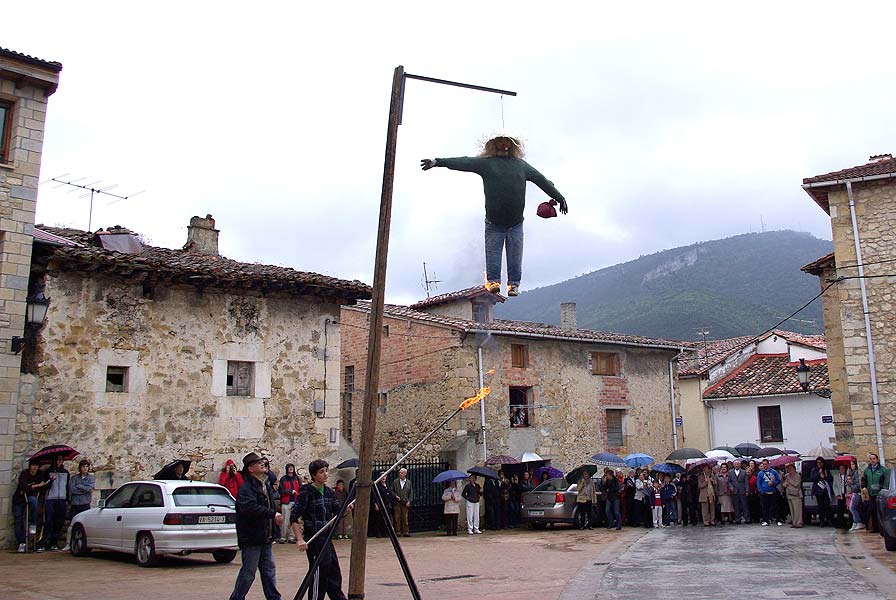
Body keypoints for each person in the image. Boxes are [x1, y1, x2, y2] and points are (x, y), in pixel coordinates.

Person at [420, 134, 568, 296]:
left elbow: (542, 180)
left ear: (512, 146)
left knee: (515, 254)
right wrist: (437, 162)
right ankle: (493, 281)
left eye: (506, 142)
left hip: (515, 223)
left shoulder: (521, 166)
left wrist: (559, 197)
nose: (503, 145)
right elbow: (464, 161)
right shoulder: (486, 164)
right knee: (493, 253)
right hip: (494, 223)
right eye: (500, 142)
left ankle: (513, 284)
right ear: (493, 145)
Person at [229, 452, 283, 600]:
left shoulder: (264, 484)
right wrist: (272, 514)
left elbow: (270, 500)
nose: (262, 465)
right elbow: (250, 508)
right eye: (259, 463)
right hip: (252, 537)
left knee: (269, 571)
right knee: (248, 573)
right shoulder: (246, 489)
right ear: (251, 468)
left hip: (265, 536)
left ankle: (274, 598)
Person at [291, 459, 347, 600]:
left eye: (326, 471)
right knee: (319, 572)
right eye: (321, 472)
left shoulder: (329, 492)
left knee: (334, 570)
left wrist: (347, 509)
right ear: (314, 475)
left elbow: (338, 512)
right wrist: (299, 539)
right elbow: (294, 517)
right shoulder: (306, 492)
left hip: (326, 538)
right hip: (314, 538)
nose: (325, 474)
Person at [13, 461, 49, 552]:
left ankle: (32, 525)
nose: (34, 468)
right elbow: (23, 486)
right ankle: (22, 542)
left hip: (31, 497)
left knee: (34, 501)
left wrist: (50, 480)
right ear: (30, 466)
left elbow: (43, 486)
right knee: (18, 519)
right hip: (19, 499)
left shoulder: (40, 474)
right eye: (33, 465)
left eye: (36, 466)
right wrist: (36, 486)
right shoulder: (24, 473)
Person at [38, 455, 69, 552]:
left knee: (59, 521)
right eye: (58, 460)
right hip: (51, 499)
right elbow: (44, 487)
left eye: (61, 460)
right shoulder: (48, 472)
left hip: (62, 499)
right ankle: (43, 542)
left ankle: (53, 542)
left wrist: (68, 499)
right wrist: (51, 481)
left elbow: (67, 486)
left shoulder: (65, 472)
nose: (60, 462)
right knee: (48, 521)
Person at [64, 459, 95, 551]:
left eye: (86, 466)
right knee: (72, 524)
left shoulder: (91, 478)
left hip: (85, 504)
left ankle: (85, 544)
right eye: (83, 466)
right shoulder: (74, 478)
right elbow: (72, 490)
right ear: (80, 468)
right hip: (75, 504)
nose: (85, 468)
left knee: (85, 525)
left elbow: (89, 488)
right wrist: (83, 489)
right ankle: (69, 543)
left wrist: (80, 486)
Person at [862, 453, 889, 534]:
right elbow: (864, 480)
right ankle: (875, 528)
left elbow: (887, 481)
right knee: (873, 511)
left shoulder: (883, 470)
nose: (872, 460)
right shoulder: (867, 470)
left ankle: (883, 528)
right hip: (872, 494)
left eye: (874, 458)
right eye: (871, 459)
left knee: (882, 511)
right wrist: (864, 487)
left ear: (877, 460)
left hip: (881, 494)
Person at [278, 464, 301, 543]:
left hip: (295, 501)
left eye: (292, 468)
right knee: (285, 520)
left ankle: (292, 536)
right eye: (289, 468)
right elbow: (280, 491)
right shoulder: (283, 479)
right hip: (286, 501)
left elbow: (301, 490)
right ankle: (283, 536)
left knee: (293, 520)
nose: (291, 469)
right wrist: (290, 491)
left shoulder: (297, 478)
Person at [757, 459, 783, 526]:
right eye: (763, 464)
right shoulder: (760, 473)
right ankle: (766, 520)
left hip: (773, 492)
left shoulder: (773, 472)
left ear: (768, 464)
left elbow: (778, 480)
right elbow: (758, 483)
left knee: (776, 507)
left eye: (766, 464)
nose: (764, 466)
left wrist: (773, 483)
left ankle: (778, 520)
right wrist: (761, 491)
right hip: (764, 492)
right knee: (765, 507)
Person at [810, 457, 834, 527]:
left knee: (827, 506)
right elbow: (812, 479)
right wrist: (818, 474)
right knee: (820, 506)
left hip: (826, 490)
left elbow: (830, 479)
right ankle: (821, 520)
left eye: (821, 462)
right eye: (818, 462)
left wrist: (826, 476)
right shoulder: (814, 470)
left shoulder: (826, 470)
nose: (819, 464)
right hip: (818, 491)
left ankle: (829, 520)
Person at [390, 467, 414, 537]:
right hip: (397, 502)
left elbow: (411, 492)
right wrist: (395, 496)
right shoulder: (395, 482)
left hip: (405, 502)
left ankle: (405, 531)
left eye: (401, 473)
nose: (400, 474)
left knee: (405, 517)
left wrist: (409, 501)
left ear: (405, 474)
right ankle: (397, 531)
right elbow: (392, 490)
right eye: (399, 472)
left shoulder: (409, 482)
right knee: (397, 517)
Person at [782, 463, 803, 528]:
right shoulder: (788, 476)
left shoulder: (797, 475)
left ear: (794, 469)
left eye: (791, 469)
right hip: (789, 495)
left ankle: (799, 523)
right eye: (788, 469)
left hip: (796, 495)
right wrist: (786, 482)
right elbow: (784, 485)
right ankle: (794, 522)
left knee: (797, 510)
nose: (789, 470)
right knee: (792, 510)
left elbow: (796, 484)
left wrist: (790, 481)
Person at [847, 458, 864, 531]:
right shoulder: (853, 472)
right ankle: (855, 522)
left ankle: (858, 522)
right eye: (851, 464)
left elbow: (857, 485)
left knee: (852, 507)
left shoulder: (856, 473)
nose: (852, 466)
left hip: (857, 492)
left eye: (853, 464)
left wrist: (850, 484)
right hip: (855, 492)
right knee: (853, 508)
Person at [833, 463, 851, 530]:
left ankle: (848, 523)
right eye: (840, 469)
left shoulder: (847, 476)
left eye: (843, 469)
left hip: (847, 494)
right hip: (840, 494)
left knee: (847, 509)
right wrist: (837, 494)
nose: (842, 470)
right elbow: (834, 486)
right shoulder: (836, 476)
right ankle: (840, 523)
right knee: (840, 509)